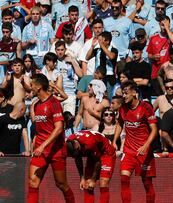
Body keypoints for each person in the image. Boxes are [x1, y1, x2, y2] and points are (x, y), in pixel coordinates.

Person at [27, 74, 75, 203]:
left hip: (56, 151)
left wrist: (43, 146)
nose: (30, 87)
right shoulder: (36, 105)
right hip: (40, 151)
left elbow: (59, 128)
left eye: (32, 85)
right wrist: (36, 144)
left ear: (38, 87)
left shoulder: (54, 103)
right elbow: (39, 129)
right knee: (33, 183)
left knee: (61, 184)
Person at [112, 81, 157, 203]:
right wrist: (114, 141)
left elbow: (154, 130)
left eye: (126, 93)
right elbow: (120, 123)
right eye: (123, 94)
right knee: (124, 179)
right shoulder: (123, 108)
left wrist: (146, 145)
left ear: (134, 93)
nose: (124, 96)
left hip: (143, 152)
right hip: (129, 151)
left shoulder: (146, 107)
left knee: (147, 183)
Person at [67, 130, 116, 203]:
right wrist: (82, 177)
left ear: (76, 146)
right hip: (93, 153)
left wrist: (93, 180)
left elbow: (98, 161)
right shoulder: (70, 140)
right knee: (87, 184)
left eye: (76, 153)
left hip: (106, 152)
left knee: (103, 182)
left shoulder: (89, 143)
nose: (75, 155)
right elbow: (78, 158)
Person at [147, 15, 173, 96]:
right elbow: (149, 54)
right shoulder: (153, 38)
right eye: (162, 25)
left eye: (166, 24)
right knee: (159, 97)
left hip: (170, 73)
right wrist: (153, 57)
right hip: (156, 73)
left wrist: (167, 28)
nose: (164, 27)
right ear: (159, 25)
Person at [86, 31, 118, 98]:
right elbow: (87, 57)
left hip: (109, 78)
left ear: (107, 41)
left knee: (108, 97)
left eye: (101, 40)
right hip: (98, 77)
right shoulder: (98, 50)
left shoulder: (113, 49)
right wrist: (92, 47)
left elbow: (111, 57)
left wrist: (102, 46)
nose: (99, 42)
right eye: (99, 40)